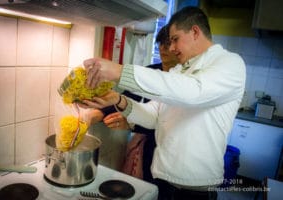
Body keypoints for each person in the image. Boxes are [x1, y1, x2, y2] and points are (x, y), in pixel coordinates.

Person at [82, 6, 246, 200]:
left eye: (175, 39)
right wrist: (119, 100)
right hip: (162, 182)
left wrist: (119, 72)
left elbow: (192, 92)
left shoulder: (229, 63)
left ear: (195, 32)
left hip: (194, 192)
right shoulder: (180, 71)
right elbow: (153, 117)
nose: (171, 48)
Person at [94, 26, 179, 183]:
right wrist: (94, 115)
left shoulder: (183, 81)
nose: (164, 48)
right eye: (161, 43)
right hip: (149, 153)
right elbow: (125, 99)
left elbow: (162, 121)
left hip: (170, 155)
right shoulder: (150, 72)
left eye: (170, 43)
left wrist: (131, 124)